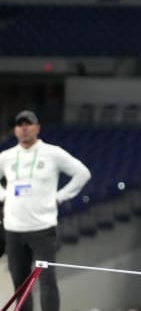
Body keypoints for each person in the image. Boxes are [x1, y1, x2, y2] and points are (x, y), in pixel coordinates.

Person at [0, 110, 91, 311]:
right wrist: (3, 195)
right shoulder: (6, 157)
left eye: (28, 123)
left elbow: (82, 173)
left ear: (37, 127)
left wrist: (60, 197)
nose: (23, 128)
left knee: (47, 281)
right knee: (20, 283)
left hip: (42, 228)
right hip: (13, 228)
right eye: (19, 124)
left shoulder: (53, 153)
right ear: (14, 130)